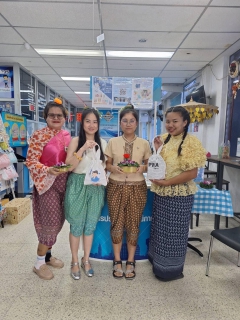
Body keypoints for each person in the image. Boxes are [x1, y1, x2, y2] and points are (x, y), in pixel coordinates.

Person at [148, 106, 206, 281]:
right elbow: (157, 163)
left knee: (174, 235)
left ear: (185, 122)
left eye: (175, 121)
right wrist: (156, 149)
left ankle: (170, 271)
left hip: (179, 196)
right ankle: (157, 263)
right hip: (161, 194)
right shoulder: (163, 139)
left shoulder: (191, 142)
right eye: (167, 121)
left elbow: (192, 173)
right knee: (160, 231)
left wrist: (167, 182)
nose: (170, 125)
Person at [25, 98, 71, 280]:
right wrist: (47, 170)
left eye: (59, 115)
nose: (55, 117)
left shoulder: (67, 136)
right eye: (52, 115)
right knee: (49, 223)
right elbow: (31, 161)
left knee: (59, 221)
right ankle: (38, 263)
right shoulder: (39, 135)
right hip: (46, 184)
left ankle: (48, 256)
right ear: (45, 117)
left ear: (64, 118)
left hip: (64, 183)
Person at [105, 105, 152, 280]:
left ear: (137, 123)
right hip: (115, 186)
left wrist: (143, 167)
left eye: (132, 120)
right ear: (120, 123)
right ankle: (117, 260)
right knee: (116, 223)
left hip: (137, 187)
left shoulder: (144, 144)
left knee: (134, 224)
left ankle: (130, 261)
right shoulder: (113, 142)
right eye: (125, 120)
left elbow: (149, 166)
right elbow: (107, 165)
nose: (128, 124)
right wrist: (113, 168)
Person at [64, 108, 107, 280]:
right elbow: (69, 166)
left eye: (95, 122)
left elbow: (105, 167)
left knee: (89, 226)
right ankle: (74, 261)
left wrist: (103, 178)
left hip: (95, 188)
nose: (91, 125)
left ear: (98, 124)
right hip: (77, 185)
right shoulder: (75, 141)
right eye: (88, 121)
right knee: (76, 226)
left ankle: (86, 259)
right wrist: (82, 149)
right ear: (82, 123)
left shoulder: (103, 143)